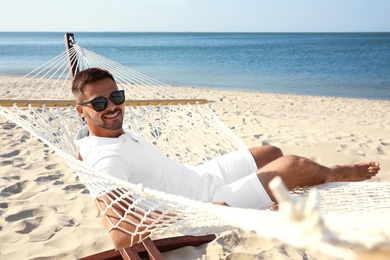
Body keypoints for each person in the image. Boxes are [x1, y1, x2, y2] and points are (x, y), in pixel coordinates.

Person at [72, 68, 380, 248]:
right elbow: (119, 235)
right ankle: (338, 172)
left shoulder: (89, 138)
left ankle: (272, 199)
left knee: (271, 153)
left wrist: (84, 143)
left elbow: (88, 145)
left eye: (116, 97)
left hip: (200, 177)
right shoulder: (106, 161)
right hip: (202, 204)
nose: (111, 106)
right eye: (99, 102)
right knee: (294, 165)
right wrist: (190, 212)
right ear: (81, 111)